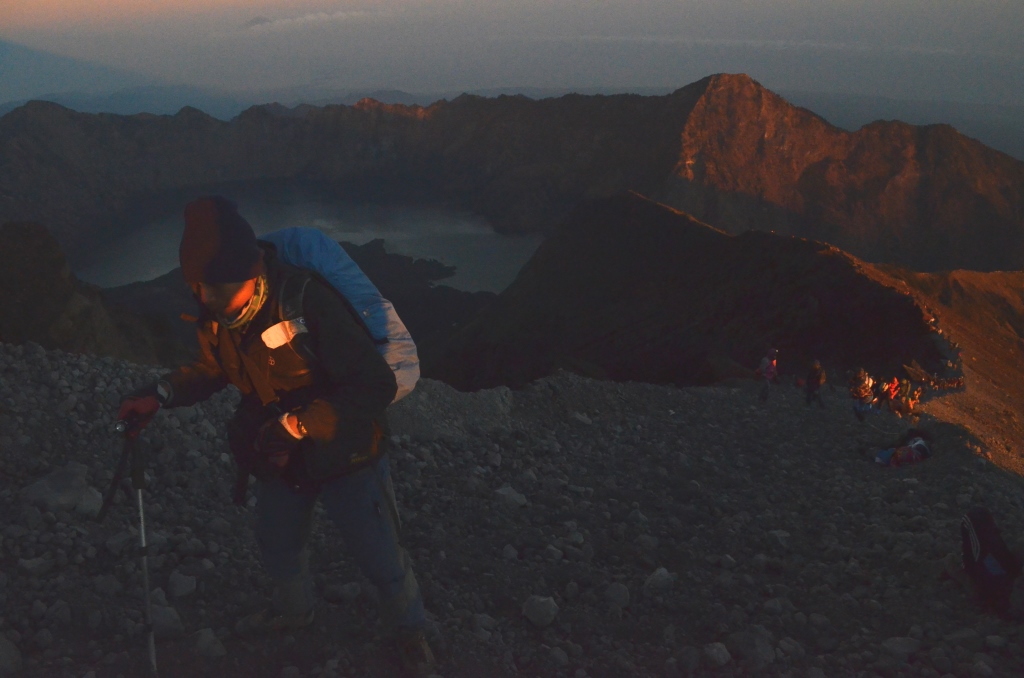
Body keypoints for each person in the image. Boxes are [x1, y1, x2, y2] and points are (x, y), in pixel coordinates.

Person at [117, 196, 435, 675]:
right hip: (280, 457)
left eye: (219, 291)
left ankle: (411, 631)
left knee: (379, 553)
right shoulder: (221, 311)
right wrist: (161, 392)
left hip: (346, 454)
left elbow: (375, 383)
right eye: (202, 290)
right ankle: (293, 612)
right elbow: (214, 367)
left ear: (253, 270)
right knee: (279, 544)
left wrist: (296, 426)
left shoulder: (306, 301)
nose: (209, 303)